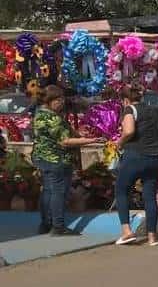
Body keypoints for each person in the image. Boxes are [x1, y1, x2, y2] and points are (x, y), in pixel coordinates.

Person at [31, 85, 104, 236]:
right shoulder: (53, 118)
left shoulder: (40, 113)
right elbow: (65, 141)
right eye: (59, 100)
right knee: (58, 192)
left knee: (48, 191)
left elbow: (65, 132)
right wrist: (90, 141)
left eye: (62, 99)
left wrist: (80, 134)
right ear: (49, 100)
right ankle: (58, 226)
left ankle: (46, 224)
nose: (62, 103)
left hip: (42, 158)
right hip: (56, 159)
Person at [113, 86, 158, 246]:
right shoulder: (152, 110)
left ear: (125, 100)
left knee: (121, 190)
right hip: (155, 157)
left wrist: (119, 143)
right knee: (149, 195)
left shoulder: (129, 109)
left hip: (136, 156)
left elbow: (129, 131)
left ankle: (127, 231)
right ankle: (152, 236)